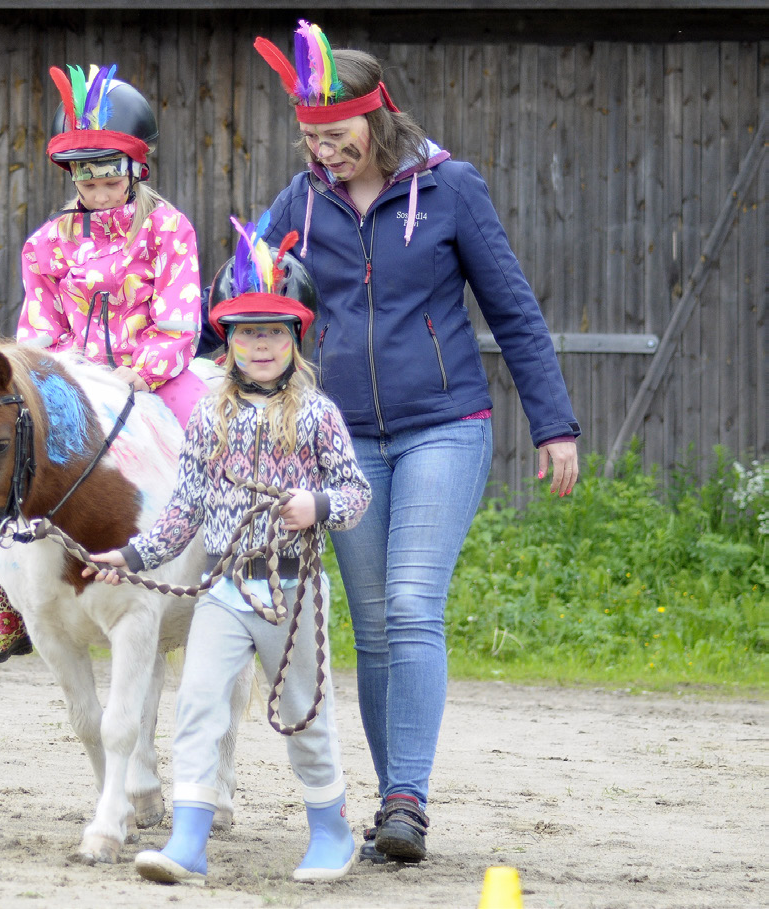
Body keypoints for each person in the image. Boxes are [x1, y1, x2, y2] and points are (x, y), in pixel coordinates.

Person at [253, 22, 582, 863]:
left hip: (446, 426)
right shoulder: (302, 201)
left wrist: (554, 424)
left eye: (337, 135)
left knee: (409, 604)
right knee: (371, 626)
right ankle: (394, 799)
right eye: (310, 136)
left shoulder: (450, 189)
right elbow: (242, 292)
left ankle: (407, 797)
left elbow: (513, 309)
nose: (323, 151)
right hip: (347, 442)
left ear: (378, 117)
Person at [87, 221, 372, 886]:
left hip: (292, 591)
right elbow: (183, 508)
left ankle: (331, 828)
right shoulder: (208, 418)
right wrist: (129, 556)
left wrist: (318, 506)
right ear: (229, 339)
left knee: (304, 709)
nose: (261, 343)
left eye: (273, 330)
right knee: (199, 703)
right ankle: (189, 840)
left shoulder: (319, 415)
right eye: (247, 331)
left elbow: (355, 492)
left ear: (295, 335)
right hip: (224, 589)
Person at [0, 64, 207, 666]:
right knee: (16, 457)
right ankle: (7, 601)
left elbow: (180, 316)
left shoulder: (168, 229)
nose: (97, 195)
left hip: (155, 372)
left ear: (135, 170)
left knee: (213, 428)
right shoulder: (46, 243)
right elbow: (38, 328)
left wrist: (141, 370)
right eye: (85, 183)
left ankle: (236, 562)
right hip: (75, 380)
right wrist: (61, 376)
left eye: (108, 182)